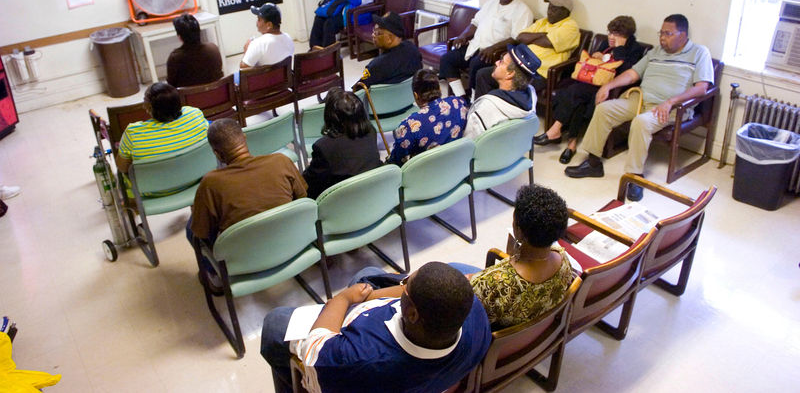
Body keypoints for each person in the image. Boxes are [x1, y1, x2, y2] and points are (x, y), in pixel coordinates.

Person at [260, 262, 492, 393]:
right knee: (367, 273)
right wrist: (370, 296)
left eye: (405, 286)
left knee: (275, 323)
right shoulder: (474, 313)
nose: (402, 286)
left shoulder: (354, 360)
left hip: (356, 351)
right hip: (429, 378)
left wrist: (343, 299)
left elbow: (316, 348)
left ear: (412, 314)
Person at [565, 14, 715, 201]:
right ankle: (594, 163)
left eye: (668, 34)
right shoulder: (656, 52)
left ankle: (635, 176)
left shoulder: (700, 53)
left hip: (670, 107)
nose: (662, 37)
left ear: (683, 35)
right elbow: (632, 73)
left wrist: (670, 102)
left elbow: (702, 88)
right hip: (640, 99)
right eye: (661, 33)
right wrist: (608, 86)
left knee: (641, 122)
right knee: (604, 109)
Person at [534, 16, 647, 164]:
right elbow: (593, 64)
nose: (612, 37)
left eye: (617, 35)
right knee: (578, 100)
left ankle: (556, 130)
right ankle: (571, 145)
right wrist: (597, 56)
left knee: (575, 91)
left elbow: (628, 72)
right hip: (590, 83)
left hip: (611, 88)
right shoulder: (606, 43)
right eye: (611, 33)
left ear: (627, 36)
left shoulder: (635, 49)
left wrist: (619, 50)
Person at [188, 117, 307, 249]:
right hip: (290, 245)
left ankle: (214, 269)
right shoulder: (281, 161)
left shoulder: (210, 183)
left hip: (245, 258)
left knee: (191, 228)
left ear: (217, 153)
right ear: (244, 138)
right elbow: (303, 199)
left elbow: (201, 232)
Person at [470, 184, 573, 328]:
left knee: (453, 268)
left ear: (518, 231)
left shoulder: (492, 284)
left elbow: (473, 317)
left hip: (499, 343)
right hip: (532, 335)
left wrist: (470, 280)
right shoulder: (564, 261)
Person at [438, 0, 533, 98]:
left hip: (495, 53)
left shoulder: (523, 10)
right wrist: (463, 35)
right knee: (447, 59)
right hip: (475, 46)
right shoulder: (491, 3)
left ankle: (473, 99)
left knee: (476, 64)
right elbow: (475, 23)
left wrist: (493, 48)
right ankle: (460, 97)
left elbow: (516, 38)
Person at [474, 0, 579, 99]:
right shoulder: (542, 22)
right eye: (549, 8)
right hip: (518, 65)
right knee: (483, 74)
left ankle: (503, 111)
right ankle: (483, 107)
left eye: (554, 9)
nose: (549, 12)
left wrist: (535, 38)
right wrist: (543, 34)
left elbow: (547, 42)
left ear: (565, 12)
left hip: (538, 72)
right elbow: (521, 37)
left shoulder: (570, 26)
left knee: (509, 85)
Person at [115, 83, 209, 197]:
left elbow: (122, 167)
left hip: (156, 192)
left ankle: (132, 209)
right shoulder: (195, 115)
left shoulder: (133, 133)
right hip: (198, 180)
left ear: (149, 106)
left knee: (121, 179)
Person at [302, 89, 381, 199]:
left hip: (343, 205)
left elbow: (311, 186)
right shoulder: (371, 131)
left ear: (331, 117)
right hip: (376, 196)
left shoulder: (324, 147)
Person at [387, 69, 468, 165]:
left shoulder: (409, 126)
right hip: (456, 166)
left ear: (416, 95)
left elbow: (397, 162)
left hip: (426, 176)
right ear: (439, 88)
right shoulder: (459, 103)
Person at [463, 43, 540, 140]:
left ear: (510, 74)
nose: (496, 62)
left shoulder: (486, 107)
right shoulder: (531, 98)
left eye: (502, 62)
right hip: (515, 152)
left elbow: (468, 143)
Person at [353, 11, 422, 90]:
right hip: (408, 99)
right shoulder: (413, 50)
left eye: (377, 33)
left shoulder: (376, 66)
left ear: (389, 38)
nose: (373, 35)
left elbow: (358, 90)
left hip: (381, 101)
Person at [166, 14, 224, 88]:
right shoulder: (213, 49)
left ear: (179, 37)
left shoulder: (174, 58)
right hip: (218, 96)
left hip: (189, 99)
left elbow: (171, 85)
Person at [240, 3, 295, 74]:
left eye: (259, 19)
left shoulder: (257, 44)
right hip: (283, 82)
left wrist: (246, 51)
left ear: (269, 25)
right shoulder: (288, 38)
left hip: (264, 83)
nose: (256, 22)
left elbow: (244, 69)